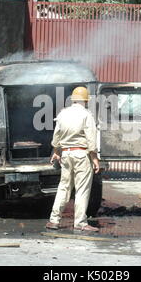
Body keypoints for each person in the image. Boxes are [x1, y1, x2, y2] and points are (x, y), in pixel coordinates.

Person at [45, 86, 100, 232]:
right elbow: (91, 140)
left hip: (66, 155)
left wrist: (56, 152)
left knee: (64, 187)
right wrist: (94, 159)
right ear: (86, 101)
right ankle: (80, 222)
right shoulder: (86, 115)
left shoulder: (63, 114)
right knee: (81, 190)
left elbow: (57, 136)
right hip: (81, 155)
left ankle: (54, 220)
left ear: (73, 100)